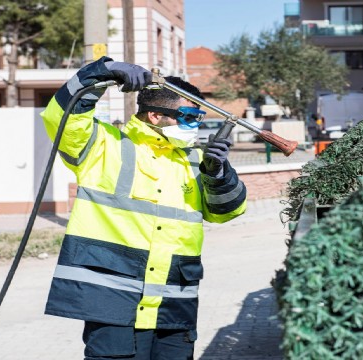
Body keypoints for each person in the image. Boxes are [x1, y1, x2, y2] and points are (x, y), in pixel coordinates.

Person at [40, 56, 247, 360]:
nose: (196, 125)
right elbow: (60, 119)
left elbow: (226, 211)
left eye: (198, 118)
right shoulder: (103, 146)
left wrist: (218, 173)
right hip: (113, 302)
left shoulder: (194, 159)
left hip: (174, 303)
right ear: (155, 115)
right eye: (189, 116)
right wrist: (99, 73)